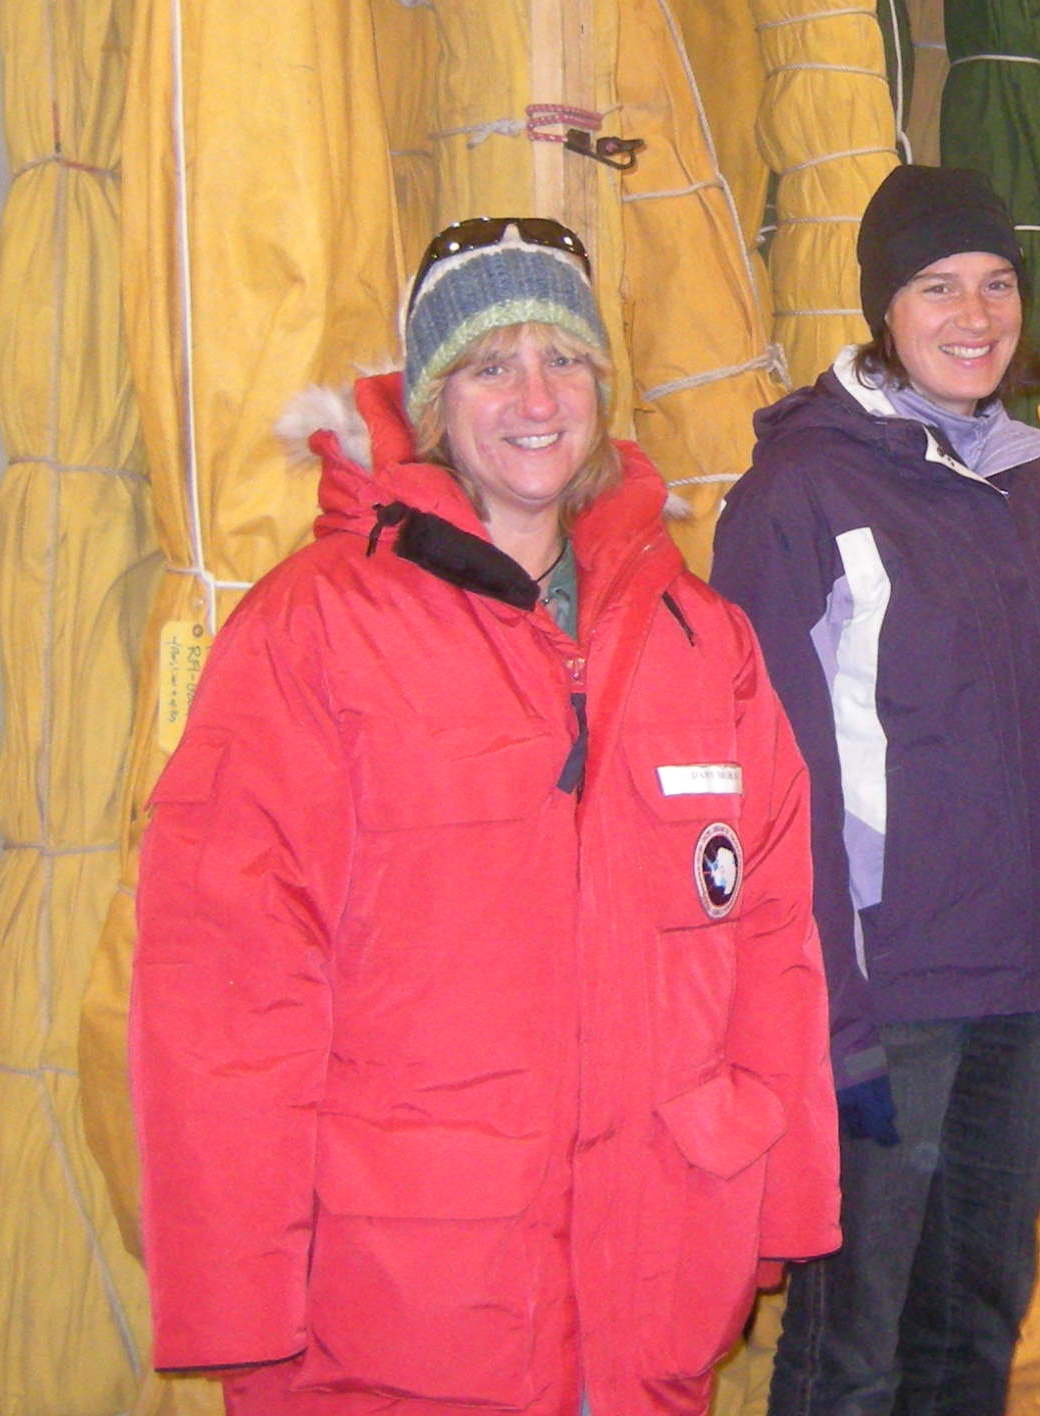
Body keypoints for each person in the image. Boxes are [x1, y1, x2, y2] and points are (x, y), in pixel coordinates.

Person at [130, 217, 840, 1416]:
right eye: (488, 364)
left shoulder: (697, 640)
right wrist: (237, 1299)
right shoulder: (316, 633)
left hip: (649, 1283)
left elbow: (772, 945)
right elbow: (225, 988)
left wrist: (769, 1204)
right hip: (400, 1304)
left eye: (562, 359)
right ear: (431, 400)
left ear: (603, 390)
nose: (534, 397)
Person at [712, 164, 1040, 1416]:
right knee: (850, 1353)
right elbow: (771, 786)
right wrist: (823, 1025)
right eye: (938, 286)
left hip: (1019, 991)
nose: (976, 314)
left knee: (977, 1328)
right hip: (888, 1002)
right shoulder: (801, 495)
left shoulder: (1025, 487)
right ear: (883, 311)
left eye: (999, 284)